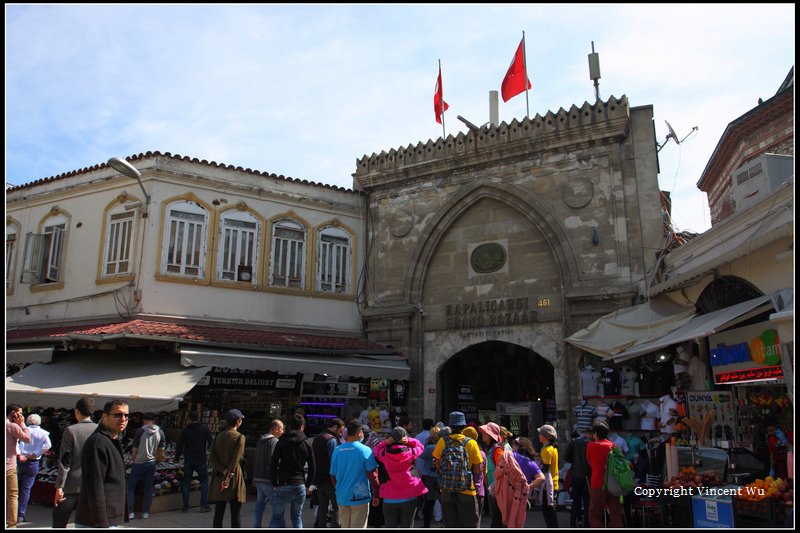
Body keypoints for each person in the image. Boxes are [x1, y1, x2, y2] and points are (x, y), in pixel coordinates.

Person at [74, 399, 130, 528]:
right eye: (117, 415)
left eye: (126, 415)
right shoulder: (98, 443)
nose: (123, 419)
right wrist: (101, 523)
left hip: (108, 518)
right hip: (97, 521)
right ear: (104, 417)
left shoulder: (111, 440)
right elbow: (94, 486)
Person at [53, 397, 98, 528]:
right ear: (92, 413)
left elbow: (65, 460)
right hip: (93, 485)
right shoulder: (100, 430)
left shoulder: (71, 431)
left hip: (72, 485)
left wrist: (59, 486)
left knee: (59, 521)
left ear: (76, 412)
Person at [433, 411, 483, 528]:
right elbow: (478, 469)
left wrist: (447, 471)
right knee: (470, 524)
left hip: (447, 489)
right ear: (464, 426)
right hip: (467, 490)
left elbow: (436, 462)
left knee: (451, 524)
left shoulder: (442, 441)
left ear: (450, 426)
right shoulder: (471, 443)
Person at [330, 419, 381, 528]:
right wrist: (376, 494)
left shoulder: (337, 450)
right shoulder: (365, 450)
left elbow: (333, 475)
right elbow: (373, 475)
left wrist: (339, 489)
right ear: (359, 433)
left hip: (342, 496)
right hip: (360, 497)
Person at [373, 426, 427, 527]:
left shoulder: (384, 453)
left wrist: (385, 442)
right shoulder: (411, 452)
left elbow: (376, 449)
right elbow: (420, 446)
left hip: (389, 497)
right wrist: (409, 440)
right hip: (409, 495)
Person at [268, 413, 314, 528]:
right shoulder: (306, 443)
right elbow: (313, 467)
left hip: (284, 483)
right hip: (299, 484)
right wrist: (308, 485)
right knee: (297, 517)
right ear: (302, 426)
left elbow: (273, 464)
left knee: (276, 517)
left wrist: (274, 483)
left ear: (289, 426)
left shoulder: (282, 442)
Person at [209, 409, 247, 528]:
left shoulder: (218, 436)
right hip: (234, 478)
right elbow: (235, 461)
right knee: (235, 513)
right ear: (238, 421)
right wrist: (228, 474)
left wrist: (223, 470)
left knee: (218, 513)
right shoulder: (240, 437)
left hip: (219, 477)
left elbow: (212, 458)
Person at [126, 412, 166, 520]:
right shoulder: (160, 432)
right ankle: (145, 513)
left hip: (138, 463)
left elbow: (134, 450)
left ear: (143, 420)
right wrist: (157, 461)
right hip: (151, 463)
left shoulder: (140, 431)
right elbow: (161, 451)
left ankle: (130, 512)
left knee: (131, 487)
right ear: (154, 420)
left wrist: (134, 461)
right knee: (148, 488)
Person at [586, 422, 624, 528]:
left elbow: (590, 463)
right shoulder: (613, 445)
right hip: (614, 484)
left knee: (594, 514)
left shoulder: (591, 446)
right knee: (615, 514)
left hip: (598, 483)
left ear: (595, 434)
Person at [16, 413, 52, 523]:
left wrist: (19, 455)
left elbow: (16, 443)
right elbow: (48, 445)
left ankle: (11, 512)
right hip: (33, 462)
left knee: (13, 488)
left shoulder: (23, 430)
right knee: (26, 490)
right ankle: (20, 515)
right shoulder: (43, 433)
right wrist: (36, 453)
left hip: (20, 460)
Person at [176, 411, 213, 513]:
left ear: (189, 419)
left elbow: (179, 444)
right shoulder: (204, 428)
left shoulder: (185, 430)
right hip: (200, 458)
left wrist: (176, 457)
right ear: (198, 417)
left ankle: (185, 506)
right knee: (204, 482)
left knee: (186, 482)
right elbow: (211, 442)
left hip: (189, 458)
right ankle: (203, 505)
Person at [311, 418, 344, 528]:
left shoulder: (317, 438)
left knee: (322, 507)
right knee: (337, 507)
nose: (341, 434)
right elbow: (334, 462)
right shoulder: (332, 440)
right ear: (335, 427)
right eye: (340, 431)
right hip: (330, 480)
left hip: (319, 480)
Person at [252, 418, 284, 527]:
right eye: (281, 429)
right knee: (277, 508)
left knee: (259, 506)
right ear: (276, 429)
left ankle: (256, 526)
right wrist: (276, 480)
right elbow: (273, 462)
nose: (282, 431)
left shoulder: (261, 440)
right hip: (268, 479)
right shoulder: (274, 441)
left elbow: (256, 459)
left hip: (259, 478)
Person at [478, 421, 509, 528]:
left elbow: (503, 469)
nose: (482, 434)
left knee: (498, 521)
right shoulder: (490, 449)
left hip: (498, 490)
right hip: (493, 490)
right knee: (496, 520)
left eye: (485, 432)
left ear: (491, 435)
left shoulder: (497, 450)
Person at [6, 404, 31, 528]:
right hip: (9, 466)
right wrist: (22, 424)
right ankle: (11, 524)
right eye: (20, 414)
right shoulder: (12, 426)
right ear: (13, 413)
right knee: (13, 495)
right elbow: (27, 439)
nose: (22, 416)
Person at [563, 429, 591, 528]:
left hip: (575, 475)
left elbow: (565, 456)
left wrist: (574, 461)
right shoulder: (591, 443)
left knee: (576, 500)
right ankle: (587, 524)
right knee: (587, 501)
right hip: (587, 475)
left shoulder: (574, 443)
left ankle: (573, 523)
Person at [416, 426, 442, 527]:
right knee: (443, 501)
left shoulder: (430, 448)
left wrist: (426, 443)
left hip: (430, 477)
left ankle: (426, 525)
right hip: (441, 475)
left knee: (429, 502)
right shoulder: (443, 446)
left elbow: (422, 455)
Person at [461, 426, 487, 521]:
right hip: (479, 490)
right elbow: (483, 473)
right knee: (475, 521)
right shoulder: (482, 454)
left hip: (463, 490)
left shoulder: (461, 452)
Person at [537, 424, 560, 527]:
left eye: (540, 433)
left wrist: (535, 471)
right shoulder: (553, 448)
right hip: (554, 483)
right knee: (550, 510)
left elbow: (545, 468)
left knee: (548, 512)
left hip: (548, 485)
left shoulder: (547, 450)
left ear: (546, 436)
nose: (539, 435)